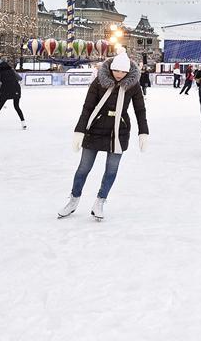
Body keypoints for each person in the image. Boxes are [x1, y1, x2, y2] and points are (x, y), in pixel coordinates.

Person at [59, 49, 148, 221]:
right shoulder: (99, 81)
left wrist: (143, 131)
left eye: (124, 71)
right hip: (95, 128)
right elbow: (87, 108)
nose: (120, 74)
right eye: (117, 70)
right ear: (111, 68)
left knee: (111, 170)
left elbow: (140, 110)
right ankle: (74, 199)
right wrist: (79, 130)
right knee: (83, 168)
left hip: (118, 131)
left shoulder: (133, 84)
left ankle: (100, 201)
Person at [0, 60, 26, 131]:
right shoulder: (12, 70)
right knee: (17, 107)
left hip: (5, 91)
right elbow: (20, 78)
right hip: (16, 89)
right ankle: (23, 123)